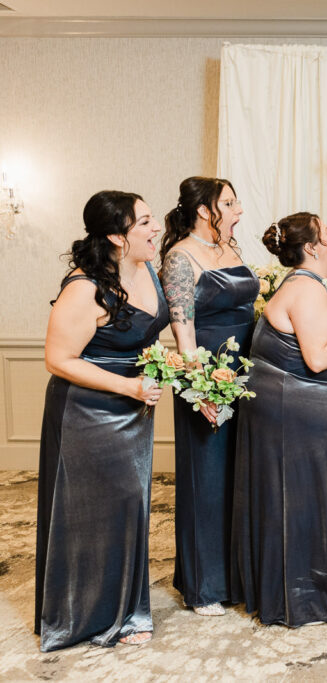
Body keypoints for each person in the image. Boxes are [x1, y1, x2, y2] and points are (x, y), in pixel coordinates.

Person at [230, 212, 327, 627]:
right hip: (296, 417)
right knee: (299, 501)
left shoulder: (306, 286)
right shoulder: (307, 290)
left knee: (303, 499)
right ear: (313, 247)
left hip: (299, 415)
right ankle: (304, 596)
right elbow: (318, 360)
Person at [36, 190, 168, 650]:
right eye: (145, 222)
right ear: (116, 235)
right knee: (89, 511)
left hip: (134, 409)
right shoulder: (84, 288)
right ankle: (88, 615)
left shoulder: (146, 267)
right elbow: (58, 359)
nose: (156, 228)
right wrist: (130, 386)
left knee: (129, 505)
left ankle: (128, 608)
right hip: (88, 411)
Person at [159, 177, 258, 617]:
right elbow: (183, 331)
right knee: (209, 476)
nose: (238, 211)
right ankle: (204, 583)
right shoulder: (180, 257)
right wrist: (201, 389)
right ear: (204, 210)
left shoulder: (232, 249)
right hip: (209, 372)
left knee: (241, 473)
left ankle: (238, 574)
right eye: (230, 203)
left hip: (248, 370)